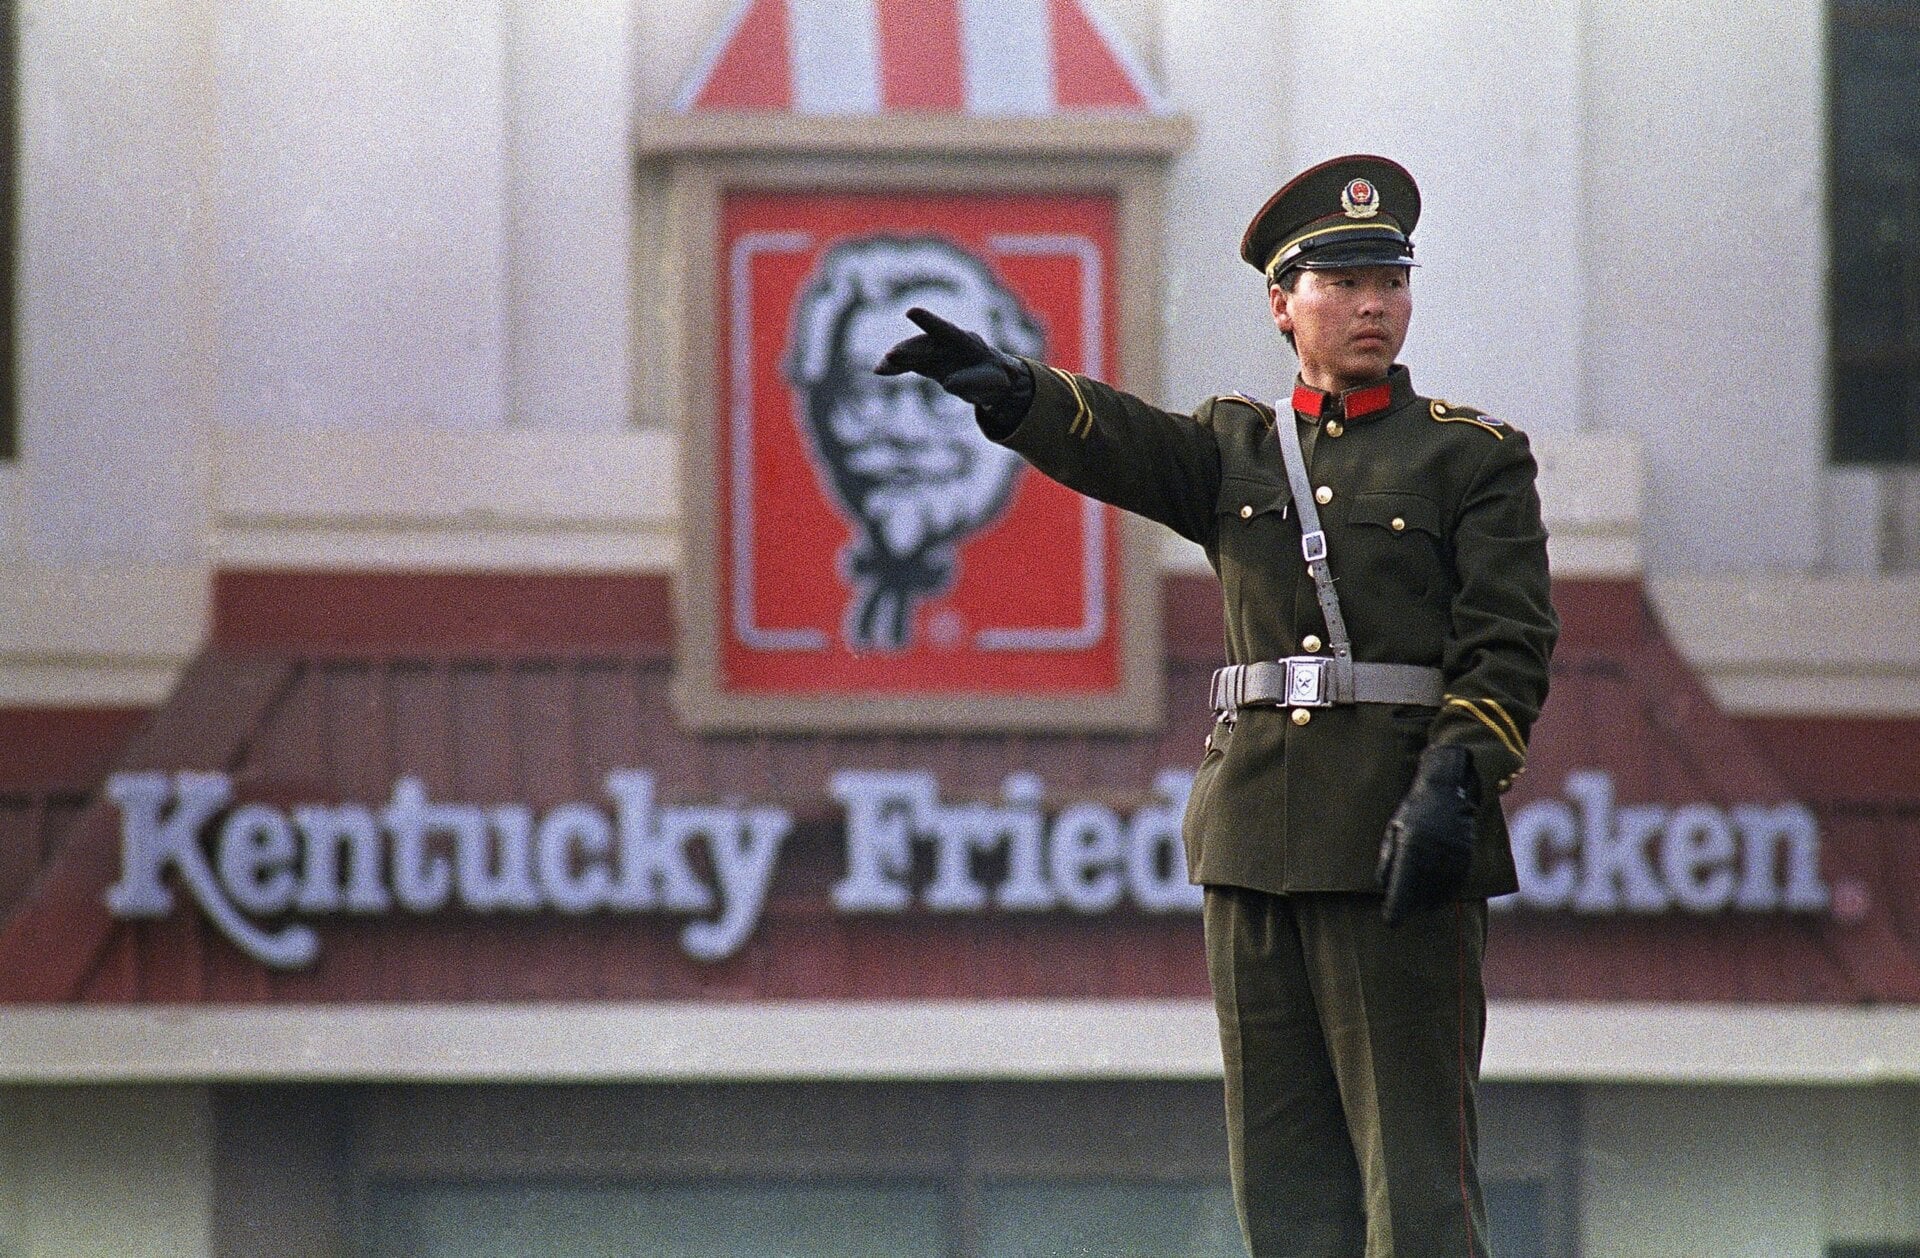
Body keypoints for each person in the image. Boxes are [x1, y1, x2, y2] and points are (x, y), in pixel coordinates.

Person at [875, 155, 1557, 1257]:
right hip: (1250, 842)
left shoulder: (1467, 457)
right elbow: (1124, 444)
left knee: (1414, 1180)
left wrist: (1456, 781)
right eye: (1341, 284)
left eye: (1389, 278)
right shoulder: (1235, 448)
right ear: (1283, 305)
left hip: (1397, 840)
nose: (1373, 303)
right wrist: (1014, 390)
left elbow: (1510, 643)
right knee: (1282, 1182)